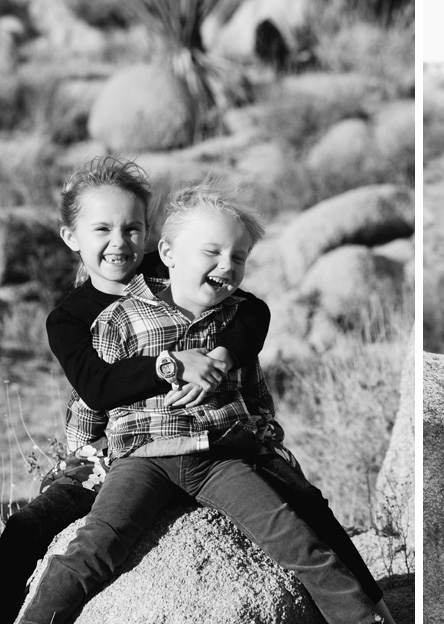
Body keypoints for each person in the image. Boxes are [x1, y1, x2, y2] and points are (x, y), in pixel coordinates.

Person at [17, 178, 383, 624]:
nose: (120, 243)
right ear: (71, 237)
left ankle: (370, 613)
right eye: (102, 230)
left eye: (132, 228)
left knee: (296, 526)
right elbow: (90, 396)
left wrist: (252, 410)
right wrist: (166, 369)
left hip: (217, 455)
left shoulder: (218, 303)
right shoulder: (96, 319)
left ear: (150, 239)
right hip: (134, 457)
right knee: (84, 546)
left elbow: (253, 353)